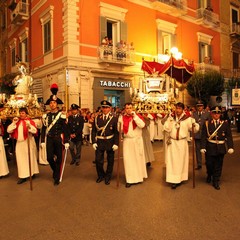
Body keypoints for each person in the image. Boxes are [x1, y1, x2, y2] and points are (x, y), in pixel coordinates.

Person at [163, 102, 199, 189]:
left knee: (181, 161)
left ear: (183, 109)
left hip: (182, 142)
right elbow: (166, 128)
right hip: (173, 142)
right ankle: (173, 179)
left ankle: (180, 178)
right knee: (172, 162)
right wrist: (170, 121)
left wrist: (195, 124)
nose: (178, 110)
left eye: (179, 108)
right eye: (176, 108)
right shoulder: (171, 118)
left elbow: (195, 129)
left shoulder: (187, 119)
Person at [201, 106, 234, 190]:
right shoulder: (207, 123)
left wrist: (230, 146)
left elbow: (229, 136)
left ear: (220, 114)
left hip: (220, 148)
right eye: (215, 113)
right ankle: (209, 174)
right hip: (210, 147)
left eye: (218, 113)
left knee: (218, 165)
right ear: (211, 114)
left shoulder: (225, 124)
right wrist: (202, 147)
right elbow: (203, 136)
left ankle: (216, 181)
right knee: (209, 164)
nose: (216, 115)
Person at [41, 91, 69, 186]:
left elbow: (65, 129)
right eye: (51, 103)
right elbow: (44, 129)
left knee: (59, 158)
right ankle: (56, 171)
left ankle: (56, 177)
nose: (52, 104)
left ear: (57, 104)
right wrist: (42, 141)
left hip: (58, 139)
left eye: (54, 103)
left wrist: (66, 141)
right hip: (49, 139)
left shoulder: (61, 116)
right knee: (49, 158)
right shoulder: (46, 116)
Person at [118, 102, 147, 188]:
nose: (129, 110)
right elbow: (120, 130)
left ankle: (138, 177)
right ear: (125, 109)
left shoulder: (138, 116)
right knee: (128, 160)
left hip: (137, 140)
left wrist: (135, 117)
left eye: (130, 108)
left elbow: (142, 125)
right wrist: (120, 123)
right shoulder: (122, 118)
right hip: (128, 141)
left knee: (137, 159)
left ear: (133, 108)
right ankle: (129, 179)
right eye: (127, 108)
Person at [7, 107, 39, 184]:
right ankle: (23, 176)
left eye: (23, 113)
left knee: (30, 158)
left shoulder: (30, 121)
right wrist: (13, 123)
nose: (21, 114)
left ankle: (32, 172)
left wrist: (29, 126)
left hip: (28, 141)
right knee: (21, 160)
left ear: (26, 114)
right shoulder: (17, 122)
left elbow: (35, 131)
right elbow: (9, 130)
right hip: (19, 143)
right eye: (20, 113)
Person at [91, 100, 119, 185]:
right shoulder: (97, 118)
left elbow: (116, 132)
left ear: (110, 108)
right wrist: (94, 142)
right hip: (99, 141)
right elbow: (93, 131)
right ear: (101, 108)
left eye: (107, 107)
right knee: (98, 160)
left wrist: (116, 143)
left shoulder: (114, 118)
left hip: (110, 141)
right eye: (103, 107)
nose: (105, 109)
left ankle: (108, 176)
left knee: (110, 161)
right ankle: (101, 175)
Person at [192, 100, 210, 170]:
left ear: (203, 106)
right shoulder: (194, 114)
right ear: (196, 107)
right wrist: (191, 135)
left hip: (205, 135)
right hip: (197, 135)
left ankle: (207, 161)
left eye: (201, 106)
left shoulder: (207, 114)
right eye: (198, 106)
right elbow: (192, 125)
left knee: (206, 149)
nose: (200, 107)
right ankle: (199, 164)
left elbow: (209, 124)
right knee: (197, 150)